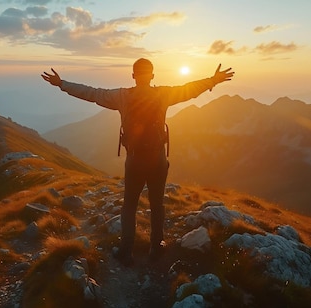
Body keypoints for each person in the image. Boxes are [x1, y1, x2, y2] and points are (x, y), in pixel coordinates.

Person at [41, 58, 234, 265]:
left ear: (133, 76)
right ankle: (156, 249)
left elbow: (92, 93)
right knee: (157, 204)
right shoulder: (164, 94)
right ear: (152, 75)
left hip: (134, 160)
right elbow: (190, 89)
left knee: (129, 206)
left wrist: (62, 84)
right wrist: (213, 80)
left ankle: (126, 252)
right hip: (158, 159)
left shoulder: (122, 96)